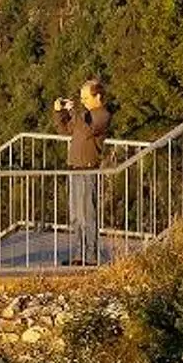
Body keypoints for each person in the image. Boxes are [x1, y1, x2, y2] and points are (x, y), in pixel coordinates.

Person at [55, 78, 112, 263]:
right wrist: (60, 113)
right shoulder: (84, 115)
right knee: (76, 217)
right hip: (75, 169)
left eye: (86, 98)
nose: (83, 102)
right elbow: (66, 130)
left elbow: (87, 131)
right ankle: (79, 256)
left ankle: (91, 257)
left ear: (98, 96)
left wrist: (73, 111)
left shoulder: (102, 115)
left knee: (88, 215)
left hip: (88, 170)